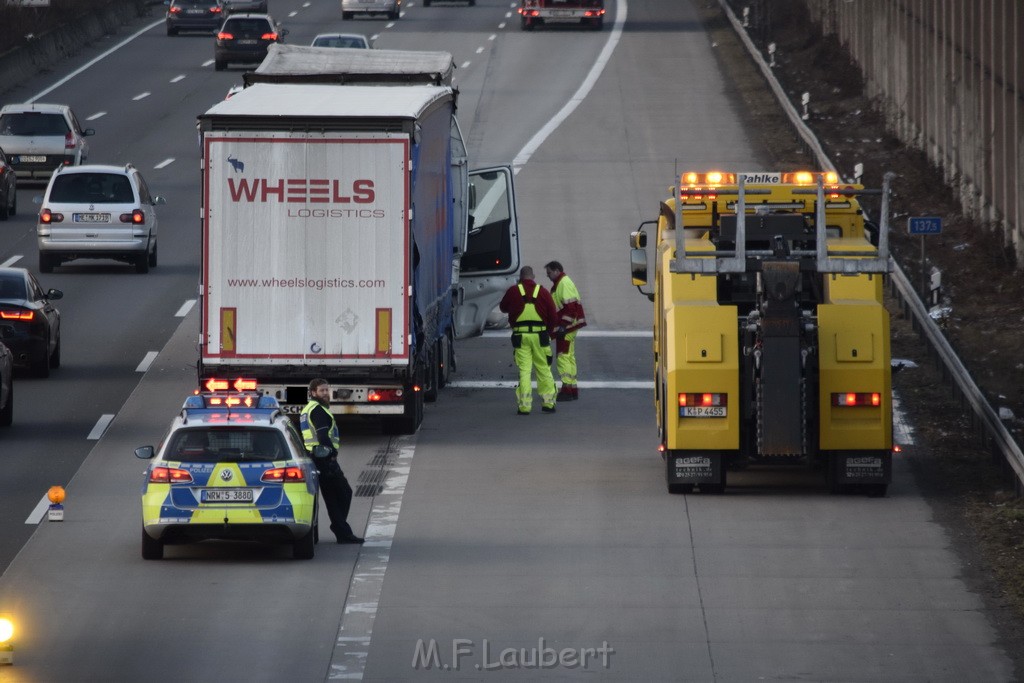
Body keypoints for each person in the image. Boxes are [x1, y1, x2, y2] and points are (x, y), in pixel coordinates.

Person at [299, 378, 364, 544]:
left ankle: (342, 531)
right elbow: (322, 436)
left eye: (327, 390)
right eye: (322, 390)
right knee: (344, 492)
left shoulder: (308, 409)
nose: (326, 393)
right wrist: (332, 453)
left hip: (314, 457)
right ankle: (340, 528)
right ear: (313, 392)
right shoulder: (318, 410)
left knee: (332, 497)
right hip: (324, 458)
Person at [498, 266, 559, 415]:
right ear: (533, 276)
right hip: (540, 337)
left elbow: (503, 307)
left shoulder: (513, 291)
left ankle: (524, 406)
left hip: (521, 337)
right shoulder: (543, 292)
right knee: (543, 369)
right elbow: (553, 316)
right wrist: (549, 334)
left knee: (525, 371)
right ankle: (548, 403)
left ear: (520, 277)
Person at [545, 261, 587, 401]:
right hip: (570, 326)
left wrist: (563, 325)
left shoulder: (563, 283)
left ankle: (566, 390)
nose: (548, 276)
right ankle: (572, 389)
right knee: (569, 357)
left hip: (567, 327)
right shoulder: (562, 283)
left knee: (562, 357)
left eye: (549, 273)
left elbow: (571, 307)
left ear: (557, 271)